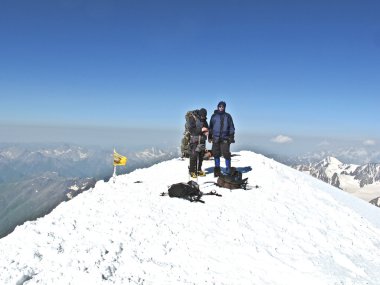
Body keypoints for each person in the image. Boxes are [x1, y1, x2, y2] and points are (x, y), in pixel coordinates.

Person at [208, 101, 235, 177]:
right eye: (220, 107)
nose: (221, 108)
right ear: (218, 107)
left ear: (224, 108)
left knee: (226, 154)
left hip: (225, 138)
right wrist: (210, 136)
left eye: (222, 107)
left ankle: (228, 169)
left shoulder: (228, 116)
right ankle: (217, 170)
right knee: (216, 154)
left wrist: (231, 137)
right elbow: (210, 127)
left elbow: (231, 127)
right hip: (215, 138)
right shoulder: (214, 116)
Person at [188, 108, 209, 178]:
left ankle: (199, 170)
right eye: (202, 116)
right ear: (199, 114)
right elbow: (191, 130)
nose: (203, 117)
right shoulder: (193, 118)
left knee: (201, 156)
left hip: (202, 140)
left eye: (204, 116)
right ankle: (192, 171)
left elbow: (207, 128)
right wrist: (201, 130)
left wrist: (207, 132)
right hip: (195, 140)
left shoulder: (204, 120)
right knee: (193, 156)